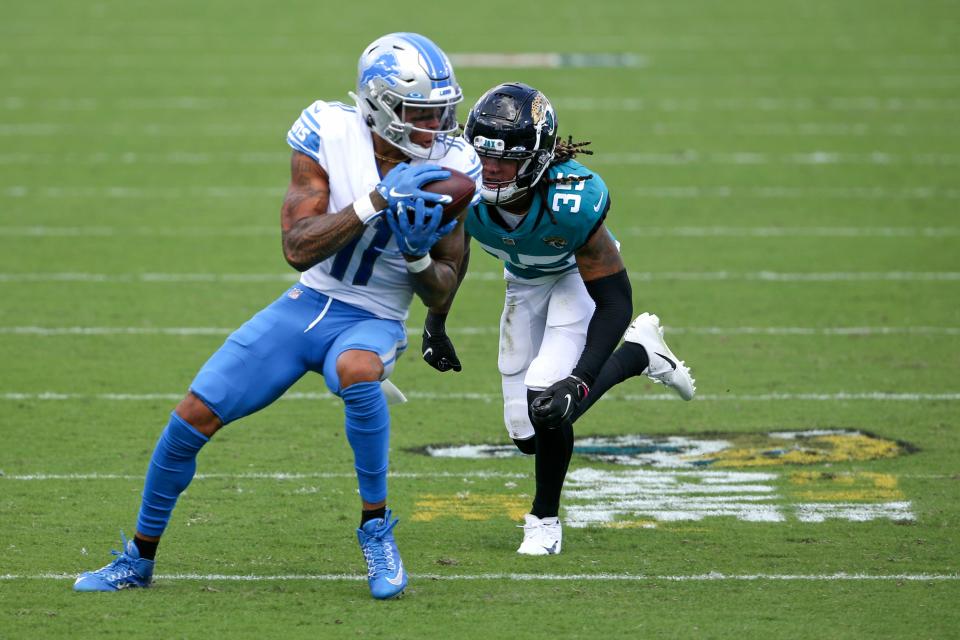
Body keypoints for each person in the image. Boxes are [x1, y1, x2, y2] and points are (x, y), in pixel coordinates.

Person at [73, 32, 481, 600]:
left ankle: (376, 530)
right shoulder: (329, 130)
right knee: (189, 419)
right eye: (421, 113)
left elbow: (442, 293)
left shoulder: (457, 165)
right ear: (379, 104)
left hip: (375, 316)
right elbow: (296, 246)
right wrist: (375, 202)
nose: (437, 128)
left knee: (359, 372)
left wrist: (415, 254)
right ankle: (138, 558)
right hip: (307, 303)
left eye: (443, 113)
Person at [420, 82, 694, 556]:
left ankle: (544, 519)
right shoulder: (461, 183)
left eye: (505, 159)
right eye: (483, 155)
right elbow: (455, 253)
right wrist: (435, 323)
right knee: (526, 432)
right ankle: (638, 353)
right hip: (523, 283)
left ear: (539, 158)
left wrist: (582, 380)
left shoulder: (572, 200)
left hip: (574, 280)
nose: (491, 169)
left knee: (548, 399)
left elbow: (614, 301)